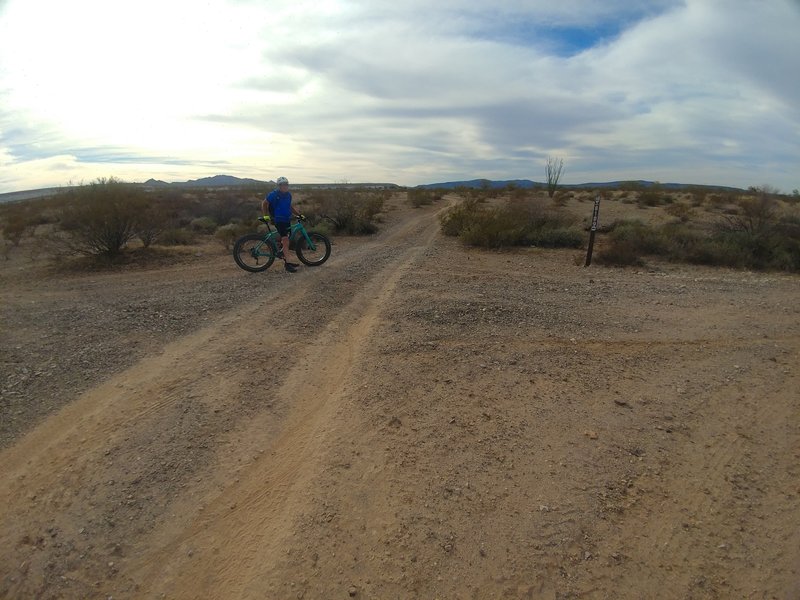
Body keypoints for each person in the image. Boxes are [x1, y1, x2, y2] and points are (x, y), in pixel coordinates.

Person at [262, 176, 302, 273]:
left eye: (286, 184)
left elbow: (289, 207)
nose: (284, 186)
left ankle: (282, 254)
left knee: (286, 240)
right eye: (282, 185)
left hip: (286, 219)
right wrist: (265, 216)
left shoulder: (288, 195)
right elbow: (264, 203)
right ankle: (287, 264)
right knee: (285, 240)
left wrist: (298, 215)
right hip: (278, 219)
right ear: (279, 186)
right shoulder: (273, 194)